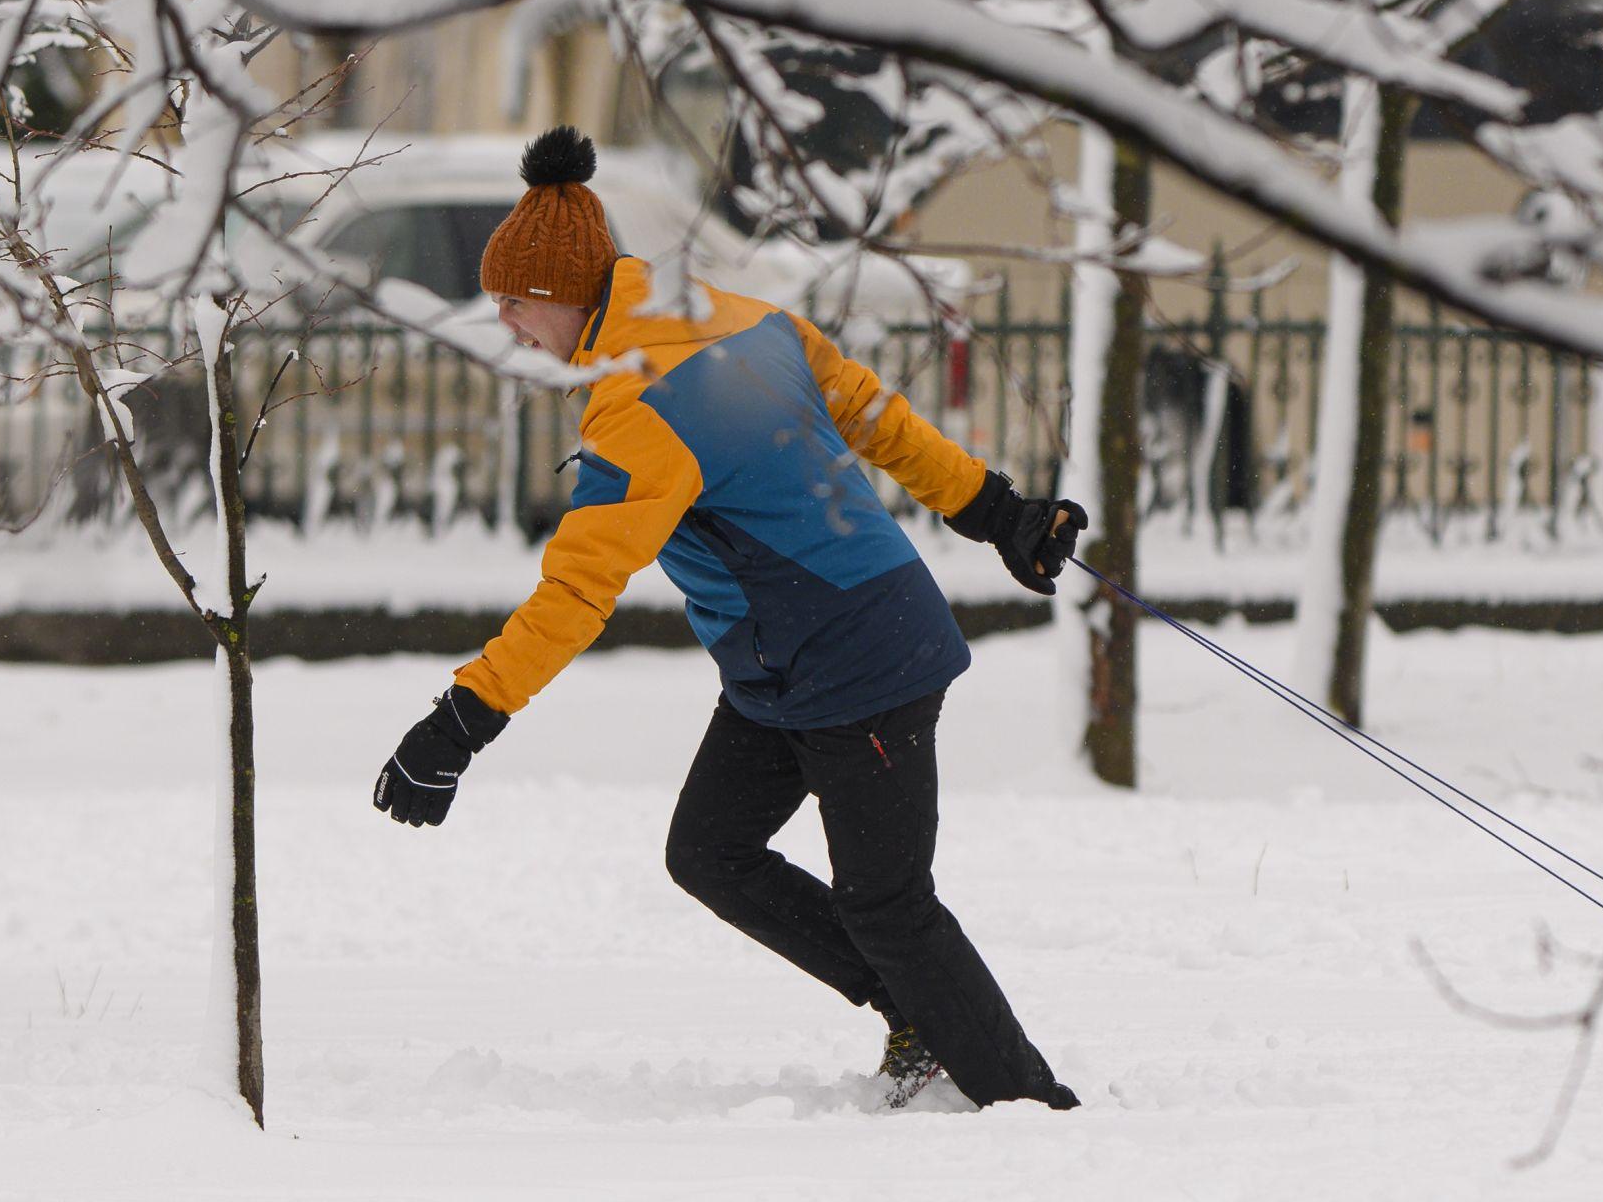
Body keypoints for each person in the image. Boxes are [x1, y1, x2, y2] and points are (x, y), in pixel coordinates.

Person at [369, 127, 1090, 1111]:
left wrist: (463, 720)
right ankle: (917, 1015)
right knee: (710, 850)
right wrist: (995, 512)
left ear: (570, 291)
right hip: (784, 670)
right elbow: (876, 417)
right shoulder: (739, 317)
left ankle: (1026, 1105)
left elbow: (577, 593)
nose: (501, 318)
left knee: (889, 903)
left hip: (859, 662)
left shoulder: (638, 407)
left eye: (516, 299)